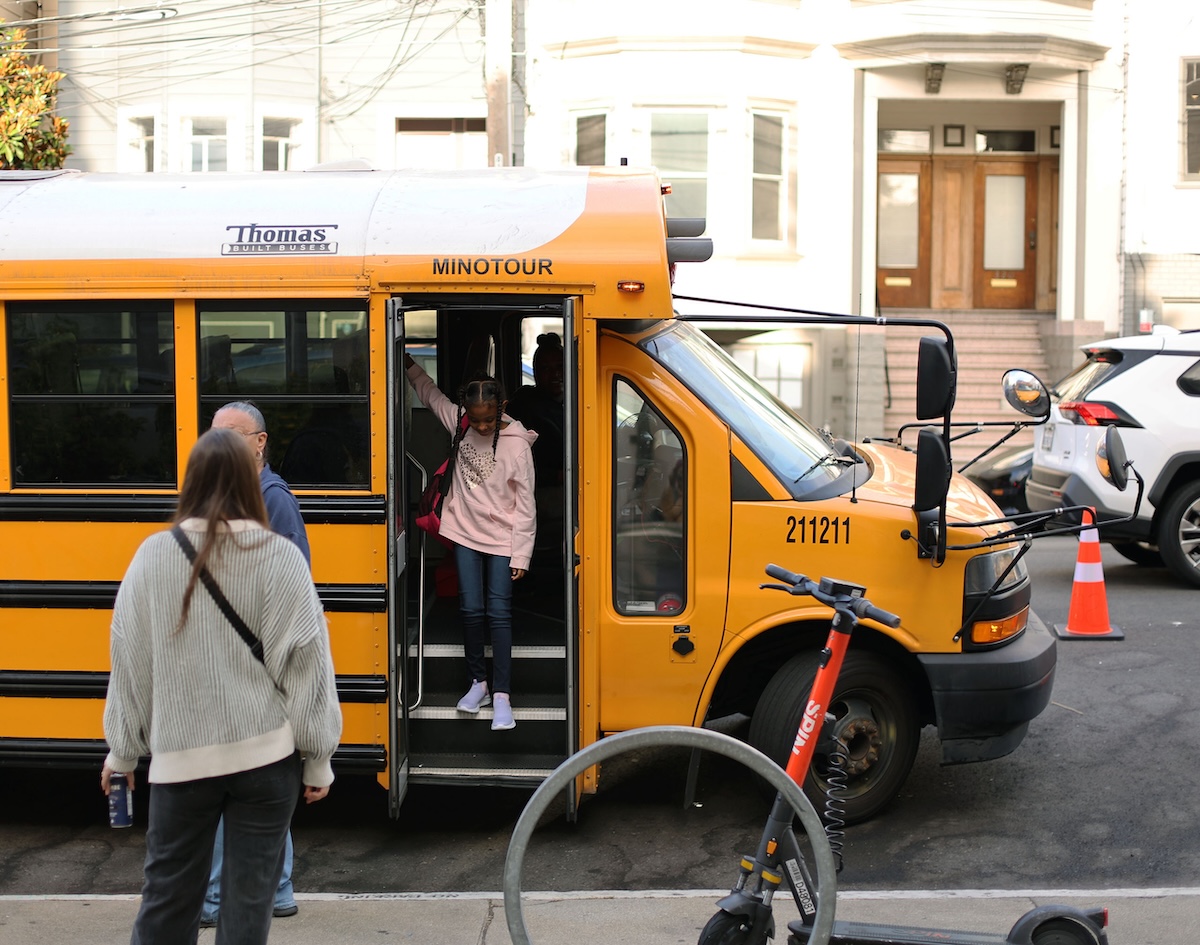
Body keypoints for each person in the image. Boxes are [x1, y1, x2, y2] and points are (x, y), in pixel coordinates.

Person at [100, 427, 342, 945]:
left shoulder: (151, 557)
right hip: (266, 762)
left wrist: (122, 754)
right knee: (248, 908)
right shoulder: (279, 558)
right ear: (250, 482)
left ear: (190, 482)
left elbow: (129, 661)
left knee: (168, 899)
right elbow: (309, 664)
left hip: (180, 764)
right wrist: (318, 757)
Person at [201, 401, 310, 926]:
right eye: (213, 437)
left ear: (260, 443)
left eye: (230, 436)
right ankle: (280, 887)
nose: (217, 446)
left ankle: (220, 899)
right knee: (261, 781)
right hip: (234, 665)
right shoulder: (222, 498)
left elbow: (294, 590)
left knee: (230, 782)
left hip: (256, 669)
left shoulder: (273, 500)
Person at [406, 355, 537, 731]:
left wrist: (522, 554)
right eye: (475, 417)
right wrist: (407, 362)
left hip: (502, 539)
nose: (480, 425)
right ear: (465, 410)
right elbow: (429, 394)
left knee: (499, 614)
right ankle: (477, 682)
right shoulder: (459, 423)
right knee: (470, 610)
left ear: (503, 408)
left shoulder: (517, 446)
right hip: (464, 532)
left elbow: (526, 505)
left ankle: (502, 695)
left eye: (489, 418)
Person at [506, 333, 565, 565]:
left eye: (560, 366)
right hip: (538, 489)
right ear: (536, 372)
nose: (556, 374)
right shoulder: (526, 406)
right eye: (546, 368)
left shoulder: (579, 399)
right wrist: (557, 476)